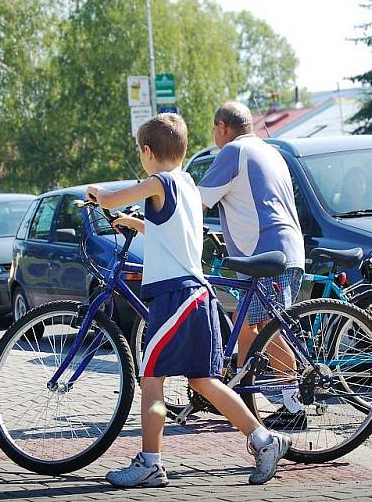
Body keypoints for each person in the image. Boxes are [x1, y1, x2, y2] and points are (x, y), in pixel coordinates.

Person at [86, 113, 290, 488]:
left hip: (174, 296)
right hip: (198, 296)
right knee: (202, 381)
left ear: (147, 152)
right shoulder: (187, 185)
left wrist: (97, 194)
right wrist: (134, 224)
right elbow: (169, 233)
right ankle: (265, 439)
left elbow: (113, 198)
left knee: (151, 378)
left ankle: (150, 463)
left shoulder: (158, 181)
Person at [197, 102, 306, 429]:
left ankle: (294, 404)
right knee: (244, 322)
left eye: (215, 131)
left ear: (222, 127)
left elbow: (198, 203)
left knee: (266, 330)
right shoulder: (271, 151)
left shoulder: (232, 152)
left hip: (267, 253)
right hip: (283, 249)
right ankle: (236, 396)